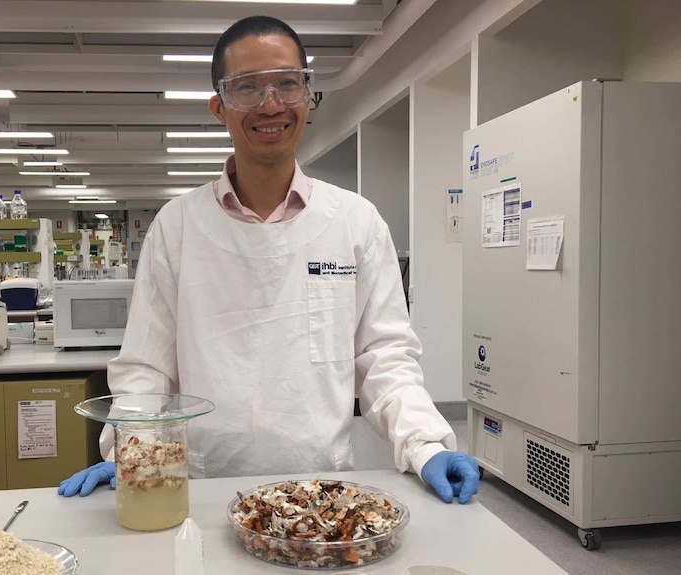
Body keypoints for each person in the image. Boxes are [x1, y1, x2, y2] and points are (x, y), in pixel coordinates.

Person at [59, 15, 480, 504]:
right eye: (247, 88)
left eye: (287, 84)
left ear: (309, 96)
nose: (271, 104)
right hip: (205, 488)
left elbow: (385, 357)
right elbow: (147, 369)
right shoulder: (176, 227)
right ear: (219, 106)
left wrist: (425, 443)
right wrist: (128, 455)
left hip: (322, 491)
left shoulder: (355, 222)